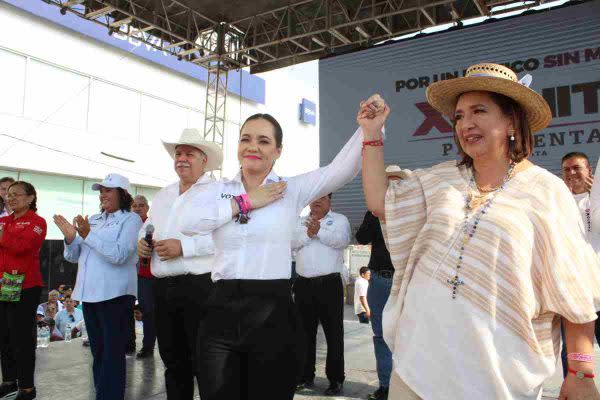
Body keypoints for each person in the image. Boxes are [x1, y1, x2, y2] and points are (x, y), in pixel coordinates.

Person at [360, 62, 600, 400]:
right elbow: (380, 201)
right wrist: (372, 134)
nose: (465, 123)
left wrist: (580, 371)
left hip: (496, 380)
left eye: (478, 111)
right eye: (458, 116)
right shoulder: (440, 179)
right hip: (415, 371)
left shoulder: (546, 192)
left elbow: (575, 292)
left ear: (511, 120)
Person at [183, 110, 368, 400]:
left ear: (278, 150)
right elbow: (189, 224)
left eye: (263, 140)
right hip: (219, 313)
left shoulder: (290, 189)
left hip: (272, 312)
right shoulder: (217, 190)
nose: (253, 146)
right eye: (245, 139)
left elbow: (340, 170)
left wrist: (367, 130)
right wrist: (245, 202)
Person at [136, 128, 221, 399]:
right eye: (178, 154)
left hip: (199, 286)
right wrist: (142, 241)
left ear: (204, 160)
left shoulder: (218, 192)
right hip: (163, 286)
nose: (182, 159)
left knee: (205, 363)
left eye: (189, 154)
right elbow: (149, 225)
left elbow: (227, 237)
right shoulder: (164, 194)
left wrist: (184, 247)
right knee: (172, 361)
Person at [54, 173, 142, 400]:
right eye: (101, 191)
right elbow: (73, 257)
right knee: (99, 353)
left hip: (115, 295)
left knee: (112, 354)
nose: (103, 195)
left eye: (108, 190)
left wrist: (88, 235)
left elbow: (120, 255)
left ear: (122, 194)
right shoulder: (92, 219)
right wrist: (71, 238)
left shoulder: (131, 220)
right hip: (89, 294)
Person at [355, 165, 409, 400]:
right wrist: (373, 212)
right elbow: (361, 237)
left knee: (408, 335)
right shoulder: (375, 209)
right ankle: (385, 386)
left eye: (398, 181)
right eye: (390, 181)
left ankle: (407, 388)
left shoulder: (413, 207)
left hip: (405, 278)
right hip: (378, 279)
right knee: (380, 335)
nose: (393, 185)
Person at [291, 193, 351, 395]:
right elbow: (291, 243)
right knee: (303, 334)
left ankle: (336, 379)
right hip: (303, 285)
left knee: (334, 334)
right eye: (314, 197)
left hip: (329, 284)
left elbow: (342, 241)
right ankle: (304, 376)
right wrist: (308, 234)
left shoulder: (340, 220)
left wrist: (319, 232)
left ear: (330, 201)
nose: (317, 201)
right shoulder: (299, 221)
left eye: (323, 198)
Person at [0, 181, 47, 400]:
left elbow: (23, 246)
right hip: (4, 284)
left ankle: (27, 387)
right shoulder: (5, 222)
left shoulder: (37, 222)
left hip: (26, 285)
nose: (10, 198)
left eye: (16, 194)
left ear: (30, 198)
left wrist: (2, 235)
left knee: (21, 337)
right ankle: (9, 381)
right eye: (8, 195)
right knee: (4, 335)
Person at [560, 152, 600, 377]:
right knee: (574, 355)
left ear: (590, 172)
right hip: (574, 293)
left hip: (599, 287)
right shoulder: (558, 203)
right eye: (566, 169)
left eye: (576, 168)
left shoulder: (595, 203)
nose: (571, 173)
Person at [131, 195, 156, 359]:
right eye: (134, 205)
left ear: (147, 208)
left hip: (149, 275)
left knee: (149, 311)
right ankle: (128, 343)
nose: (138, 208)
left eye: (141, 205)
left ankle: (148, 346)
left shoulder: (153, 224)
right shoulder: (129, 225)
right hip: (129, 274)